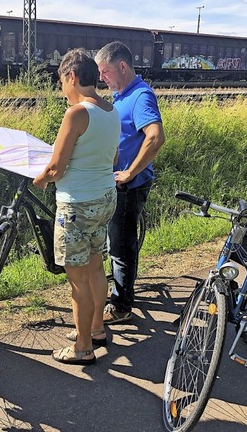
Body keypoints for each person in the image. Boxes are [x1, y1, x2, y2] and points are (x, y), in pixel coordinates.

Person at [33, 48, 120, 365]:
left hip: (77, 206)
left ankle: (83, 347)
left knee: (77, 281)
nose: (62, 88)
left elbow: (56, 167)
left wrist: (41, 178)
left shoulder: (76, 113)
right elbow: (112, 159)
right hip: (105, 198)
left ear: (71, 76)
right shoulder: (110, 111)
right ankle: (96, 328)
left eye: (61, 81)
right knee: (96, 266)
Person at [94, 41, 165, 325]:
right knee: (116, 242)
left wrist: (129, 173)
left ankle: (121, 307)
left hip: (129, 186)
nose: (102, 78)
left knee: (121, 247)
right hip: (115, 181)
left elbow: (155, 137)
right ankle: (119, 290)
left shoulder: (141, 96)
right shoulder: (121, 94)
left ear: (122, 67)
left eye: (105, 71)